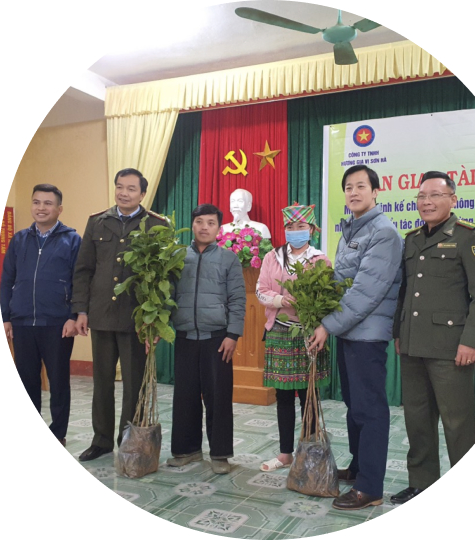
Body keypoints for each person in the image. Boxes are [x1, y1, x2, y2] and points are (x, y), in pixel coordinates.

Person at [391, 171, 475, 505]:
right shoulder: (412, 239)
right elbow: (405, 291)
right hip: (413, 345)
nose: (427, 202)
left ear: (453, 199)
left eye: (435, 195)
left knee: (458, 423)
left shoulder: (469, 236)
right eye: (421, 196)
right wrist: (398, 333)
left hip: (452, 348)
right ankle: (422, 484)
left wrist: (472, 341)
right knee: (417, 420)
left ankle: (466, 492)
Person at [309, 165, 403, 511]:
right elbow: (341, 284)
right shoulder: (351, 230)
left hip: (368, 335)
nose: (353, 192)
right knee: (355, 406)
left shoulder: (383, 233)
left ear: (376, 192)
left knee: (370, 409)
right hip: (349, 331)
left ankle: (370, 487)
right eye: (348, 187)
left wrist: (326, 326)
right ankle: (360, 466)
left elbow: (365, 292)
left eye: (361, 186)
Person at [72, 168, 168, 462]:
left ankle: (129, 441)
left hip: (136, 319)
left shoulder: (157, 225)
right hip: (101, 314)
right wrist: (81, 310)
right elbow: (83, 270)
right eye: (119, 187)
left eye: (131, 188)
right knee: (101, 383)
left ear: (142, 193)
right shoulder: (97, 222)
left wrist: (154, 321)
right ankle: (101, 441)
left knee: (133, 385)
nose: (124, 193)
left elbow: (166, 277)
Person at [167, 204, 246, 474]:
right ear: (192, 224)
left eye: (210, 223)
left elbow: (237, 300)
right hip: (185, 336)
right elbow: (168, 295)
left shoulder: (228, 259)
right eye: (199, 221)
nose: (204, 227)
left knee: (218, 398)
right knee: (185, 397)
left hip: (217, 340)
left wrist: (233, 334)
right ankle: (186, 450)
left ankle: (220, 454)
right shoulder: (177, 256)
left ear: (218, 228)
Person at [0, 184, 81, 446]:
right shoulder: (19, 240)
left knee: (58, 382)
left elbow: (79, 282)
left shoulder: (72, 240)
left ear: (59, 208)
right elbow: (6, 280)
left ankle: (58, 434)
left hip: (58, 323)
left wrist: (73, 315)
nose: (41, 208)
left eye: (48, 203)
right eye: (36, 202)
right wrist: (6, 317)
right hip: (22, 322)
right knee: (26, 381)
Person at [256, 203, 331, 472]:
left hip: (309, 331)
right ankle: (285, 453)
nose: (295, 231)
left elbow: (327, 298)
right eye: (290, 227)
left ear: (311, 230)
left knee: (309, 395)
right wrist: (279, 300)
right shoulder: (272, 257)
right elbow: (260, 290)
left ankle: (308, 452)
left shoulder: (320, 260)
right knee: (284, 395)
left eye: (301, 226)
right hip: (279, 329)